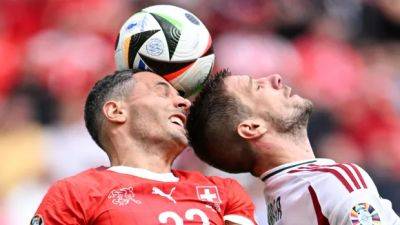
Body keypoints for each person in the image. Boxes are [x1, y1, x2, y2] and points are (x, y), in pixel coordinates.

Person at [31, 69, 257, 225]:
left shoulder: (224, 191)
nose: (184, 103)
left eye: (180, 96)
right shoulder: (75, 193)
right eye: (161, 91)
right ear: (116, 111)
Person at [186, 69, 400, 225]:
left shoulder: (277, 208)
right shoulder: (332, 182)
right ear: (252, 127)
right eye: (258, 87)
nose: (276, 78)